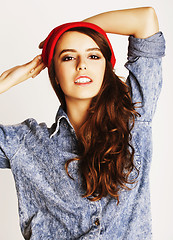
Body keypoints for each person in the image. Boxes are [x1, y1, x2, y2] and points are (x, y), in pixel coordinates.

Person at [0, 7, 165, 240]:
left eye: (93, 55)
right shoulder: (26, 143)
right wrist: (8, 80)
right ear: (55, 74)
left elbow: (145, 19)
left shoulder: (134, 117)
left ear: (105, 68)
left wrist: (71, 30)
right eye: (68, 56)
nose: (82, 64)